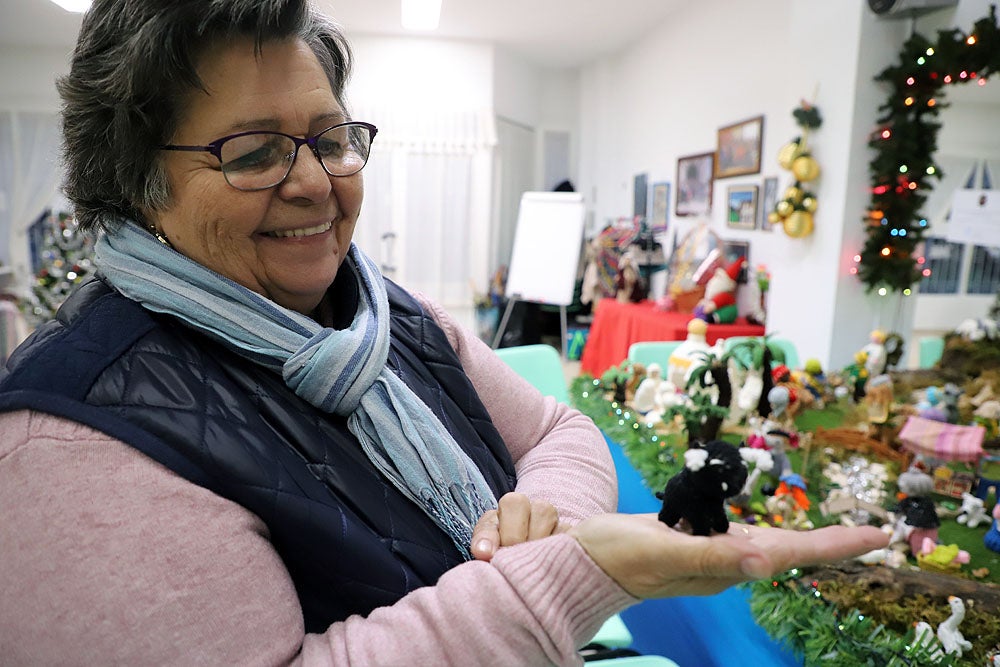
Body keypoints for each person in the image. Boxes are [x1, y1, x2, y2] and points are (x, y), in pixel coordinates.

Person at [0, 1, 887, 664]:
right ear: (131, 184)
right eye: (253, 152)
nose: (315, 182)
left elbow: (557, 430)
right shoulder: (67, 442)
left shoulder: (381, 309)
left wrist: (547, 526)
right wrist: (565, 572)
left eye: (332, 138)